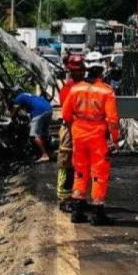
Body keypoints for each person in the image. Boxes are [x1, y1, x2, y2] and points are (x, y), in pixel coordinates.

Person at [62, 51, 119, 225]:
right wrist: (115, 140)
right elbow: (112, 120)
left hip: (78, 135)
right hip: (97, 137)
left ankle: (77, 211)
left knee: (80, 171)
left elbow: (65, 114)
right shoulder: (106, 91)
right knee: (99, 173)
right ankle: (97, 213)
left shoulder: (75, 88)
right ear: (102, 71)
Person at [56, 54, 87, 210]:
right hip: (70, 129)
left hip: (82, 130)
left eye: (82, 70)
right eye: (77, 71)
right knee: (66, 163)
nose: (80, 73)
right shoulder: (67, 89)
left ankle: (77, 196)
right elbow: (69, 114)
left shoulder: (85, 87)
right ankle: (64, 199)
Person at [13, 90, 53, 163]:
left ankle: (44, 155)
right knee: (43, 133)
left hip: (39, 112)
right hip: (49, 109)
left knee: (34, 135)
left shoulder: (18, 98)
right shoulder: (30, 95)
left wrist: (12, 117)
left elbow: (15, 110)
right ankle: (49, 152)